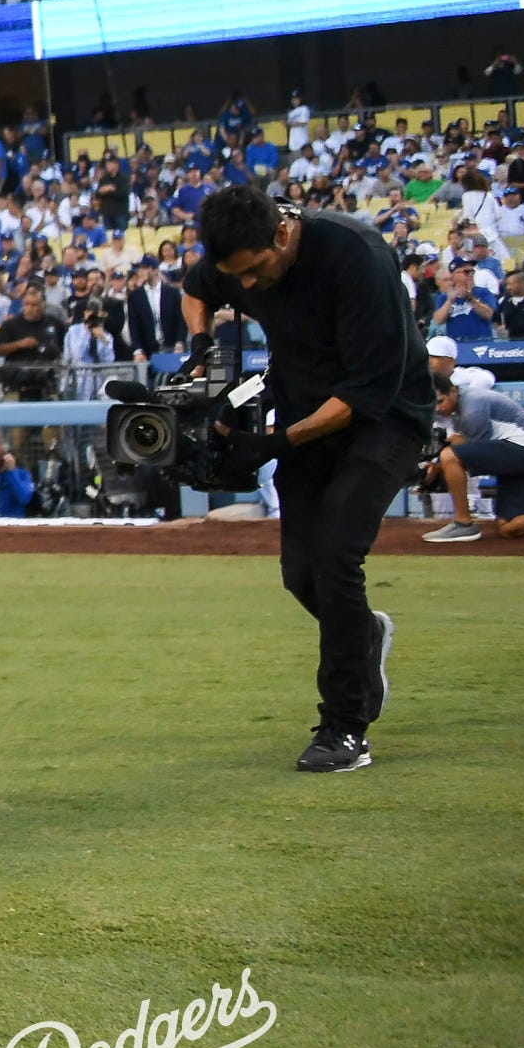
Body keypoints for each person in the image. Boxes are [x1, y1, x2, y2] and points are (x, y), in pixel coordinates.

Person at [184, 184, 433, 774]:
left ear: (281, 234)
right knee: (300, 574)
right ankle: (363, 635)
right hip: (306, 414)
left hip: (384, 418)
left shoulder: (357, 256)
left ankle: (346, 727)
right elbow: (195, 289)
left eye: (253, 272)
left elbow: (362, 395)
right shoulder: (242, 259)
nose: (245, 287)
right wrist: (200, 342)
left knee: (334, 552)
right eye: (234, 277)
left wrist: (270, 445)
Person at [421, 378, 524, 543]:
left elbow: (469, 451)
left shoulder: (472, 406)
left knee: (449, 456)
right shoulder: (463, 404)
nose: (438, 408)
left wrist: (438, 466)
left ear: (453, 391)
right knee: (506, 527)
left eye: (440, 401)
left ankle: (463, 524)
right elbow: (468, 444)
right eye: (433, 404)